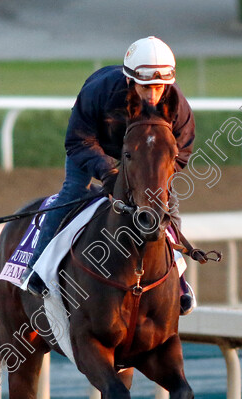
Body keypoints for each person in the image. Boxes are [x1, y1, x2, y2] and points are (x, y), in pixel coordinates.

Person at [20, 36, 198, 315]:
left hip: (143, 156)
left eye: (159, 87)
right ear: (130, 81)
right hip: (94, 144)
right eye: (145, 87)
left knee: (165, 205)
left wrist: (150, 177)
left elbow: (182, 152)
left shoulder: (177, 106)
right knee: (73, 192)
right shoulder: (100, 91)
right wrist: (108, 171)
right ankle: (37, 269)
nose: (153, 95)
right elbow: (78, 141)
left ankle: (179, 284)